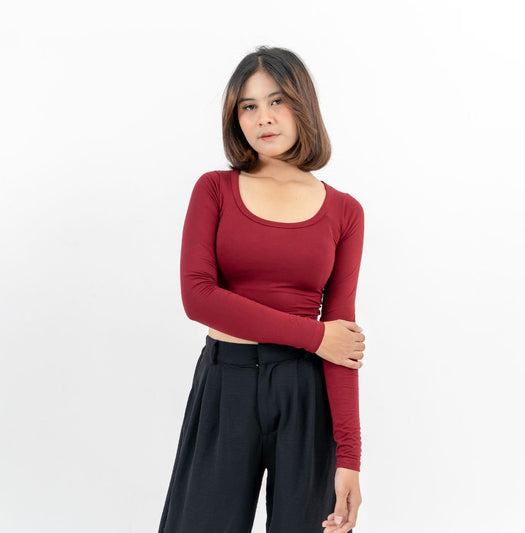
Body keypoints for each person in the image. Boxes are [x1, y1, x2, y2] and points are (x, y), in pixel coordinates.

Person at [158, 45, 366, 533]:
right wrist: (314, 336)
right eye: (248, 106)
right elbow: (197, 296)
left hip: (305, 391)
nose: (263, 118)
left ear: (302, 105)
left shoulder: (344, 211)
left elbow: (343, 342)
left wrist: (350, 457)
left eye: (277, 101)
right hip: (226, 382)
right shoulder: (214, 189)